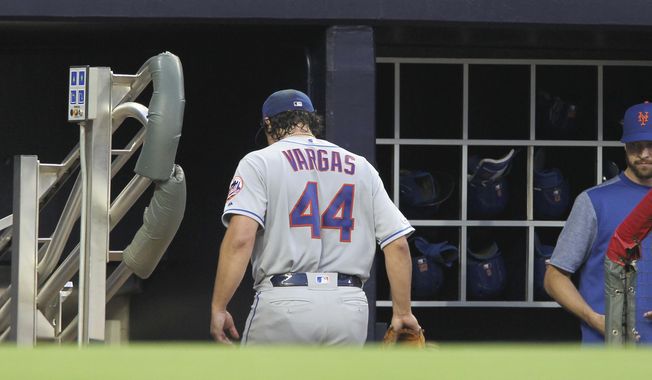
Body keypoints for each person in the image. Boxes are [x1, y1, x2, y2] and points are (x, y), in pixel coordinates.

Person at [210, 89, 421, 345]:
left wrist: (219, 306)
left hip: (285, 298)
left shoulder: (259, 162)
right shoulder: (360, 166)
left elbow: (241, 239)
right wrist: (402, 311)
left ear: (268, 123)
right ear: (310, 120)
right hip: (349, 305)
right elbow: (397, 244)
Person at [545, 101, 652, 344]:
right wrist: (595, 319)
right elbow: (554, 278)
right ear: (625, 146)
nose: (644, 154)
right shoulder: (594, 201)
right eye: (636, 146)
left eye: (651, 145)